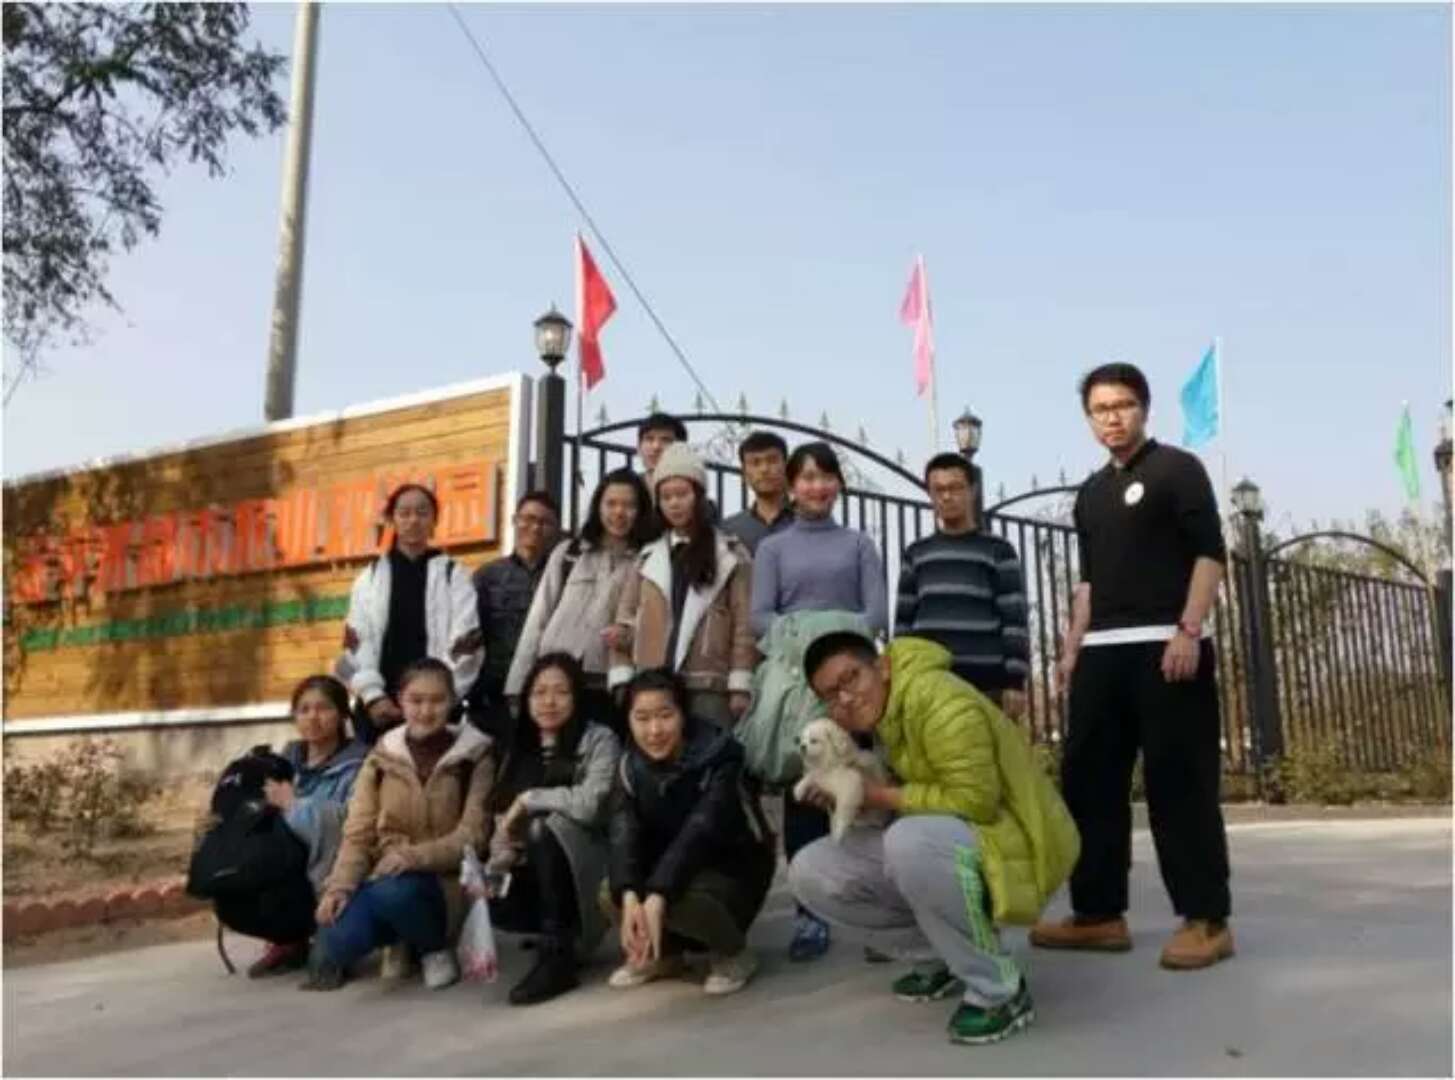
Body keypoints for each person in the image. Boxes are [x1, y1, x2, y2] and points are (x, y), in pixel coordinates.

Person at [1028, 362, 1233, 971]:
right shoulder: (1091, 494)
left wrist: (1188, 629)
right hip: (1102, 654)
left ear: (1143, 408)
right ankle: (1098, 913)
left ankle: (1206, 918)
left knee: (1179, 783)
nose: (1112, 418)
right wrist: (1072, 647)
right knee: (1088, 783)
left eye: (1122, 405)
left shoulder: (1177, 470)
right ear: (1089, 419)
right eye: (1100, 409)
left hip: (1169, 647)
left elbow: (1209, 554)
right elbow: (1089, 582)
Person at [790, 632, 1079, 1046]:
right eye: (831, 696)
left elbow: (976, 801)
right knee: (812, 870)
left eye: (850, 678)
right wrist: (854, 803)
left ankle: (999, 989)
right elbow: (907, 803)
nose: (846, 699)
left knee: (909, 842)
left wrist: (878, 796)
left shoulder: (940, 700)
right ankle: (944, 958)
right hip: (959, 837)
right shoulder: (881, 720)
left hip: (1019, 841)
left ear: (882, 666)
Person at [750, 441, 889, 962]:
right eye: (806, 478)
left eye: (826, 477)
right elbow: (760, 617)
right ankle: (811, 912)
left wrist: (830, 640)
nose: (817, 486)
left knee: (865, 788)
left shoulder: (859, 545)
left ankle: (882, 912)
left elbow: (875, 614)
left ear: (839, 485)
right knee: (806, 795)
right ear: (791, 486)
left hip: (853, 682)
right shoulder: (773, 549)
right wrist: (811, 638)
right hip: (796, 683)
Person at [308, 658, 496, 991]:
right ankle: (401, 938)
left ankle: (433, 949)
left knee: (397, 892)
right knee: (335, 939)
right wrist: (339, 887)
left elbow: (473, 835)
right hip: (388, 876)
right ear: (400, 702)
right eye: (416, 700)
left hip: (446, 884)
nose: (426, 711)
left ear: (452, 701)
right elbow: (359, 833)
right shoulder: (382, 758)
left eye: (437, 700)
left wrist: (413, 857)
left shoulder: (474, 756)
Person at [603, 669, 776, 997]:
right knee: (611, 892)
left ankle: (734, 953)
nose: (654, 730)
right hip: (673, 870)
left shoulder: (720, 757)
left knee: (685, 901)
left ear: (683, 714)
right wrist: (629, 893)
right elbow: (623, 832)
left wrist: (658, 893)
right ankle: (663, 955)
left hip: (731, 871)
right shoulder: (628, 766)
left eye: (665, 715)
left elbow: (701, 829)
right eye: (642, 718)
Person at [486, 653, 621, 1005]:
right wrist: (499, 860)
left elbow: (590, 805)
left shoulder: (599, 739)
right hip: (532, 864)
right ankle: (552, 932)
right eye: (539, 692)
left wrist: (530, 798)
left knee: (543, 828)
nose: (549, 701)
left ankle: (558, 957)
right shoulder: (520, 746)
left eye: (561, 692)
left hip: (590, 860)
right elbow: (502, 820)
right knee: (495, 898)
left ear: (577, 697)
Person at [609, 444, 755, 730]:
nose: (674, 503)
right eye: (666, 497)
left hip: (708, 685)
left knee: (709, 752)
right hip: (654, 683)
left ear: (698, 496)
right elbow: (625, 617)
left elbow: (744, 624)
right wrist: (622, 674)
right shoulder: (647, 558)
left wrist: (740, 682)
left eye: (682, 494)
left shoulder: (730, 554)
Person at [505, 469, 659, 739]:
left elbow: (653, 622)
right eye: (611, 503)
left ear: (641, 511)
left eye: (629, 505)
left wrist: (630, 634)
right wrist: (518, 685)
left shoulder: (649, 560)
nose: (619, 512)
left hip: (608, 685)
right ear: (598, 506)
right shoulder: (569, 553)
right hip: (555, 682)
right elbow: (538, 618)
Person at [339, 483, 482, 745]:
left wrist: (438, 700)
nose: (413, 520)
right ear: (392, 519)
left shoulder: (454, 576)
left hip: (435, 713)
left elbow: (467, 642)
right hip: (379, 713)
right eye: (404, 513)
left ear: (434, 520)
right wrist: (373, 696)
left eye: (422, 512)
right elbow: (355, 644)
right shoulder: (369, 578)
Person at [248, 675, 370, 977]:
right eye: (304, 710)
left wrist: (295, 805)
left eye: (323, 708)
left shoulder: (361, 763)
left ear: (342, 715)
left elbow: (354, 821)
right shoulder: (283, 762)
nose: (313, 717)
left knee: (325, 967)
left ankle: (333, 936)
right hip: (288, 865)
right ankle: (287, 939)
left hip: (336, 871)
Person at [895, 453, 1030, 716]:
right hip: (929, 683)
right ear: (930, 494)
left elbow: (1014, 620)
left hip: (987, 686)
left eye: (955, 488)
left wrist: (1015, 681)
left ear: (972, 491)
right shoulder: (916, 553)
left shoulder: (999, 550)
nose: (947, 496)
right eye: (939, 490)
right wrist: (901, 677)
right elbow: (903, 624)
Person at [468, 491, 562, 740]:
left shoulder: (563, 577)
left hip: (546, 696)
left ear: (556, 529)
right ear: (514, 520)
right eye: (528, 519)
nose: (535, 527)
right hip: (493, 696)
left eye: (545, 522)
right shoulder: (487, 576)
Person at [721, 430, 794, 554]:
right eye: (755, 463)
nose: (764, 469)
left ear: (787, 468)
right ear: (744, 474)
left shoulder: (808, 522)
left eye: (772, 460)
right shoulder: (729, 530)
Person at [636, 412, 689, 493]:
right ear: (639, 447)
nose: (656, 447)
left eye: (665, 440)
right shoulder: (626, 487)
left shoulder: (692, 490)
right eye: (649, 439)